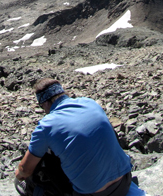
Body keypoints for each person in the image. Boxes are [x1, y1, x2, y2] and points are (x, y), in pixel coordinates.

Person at [15, 78, 143, 196]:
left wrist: (19, 174)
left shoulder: (46, 126)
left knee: (43, 162)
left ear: (45, 103)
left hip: (93, 193)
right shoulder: (90, 103)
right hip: (124, 182)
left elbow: (25, 169)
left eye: (42, 106)